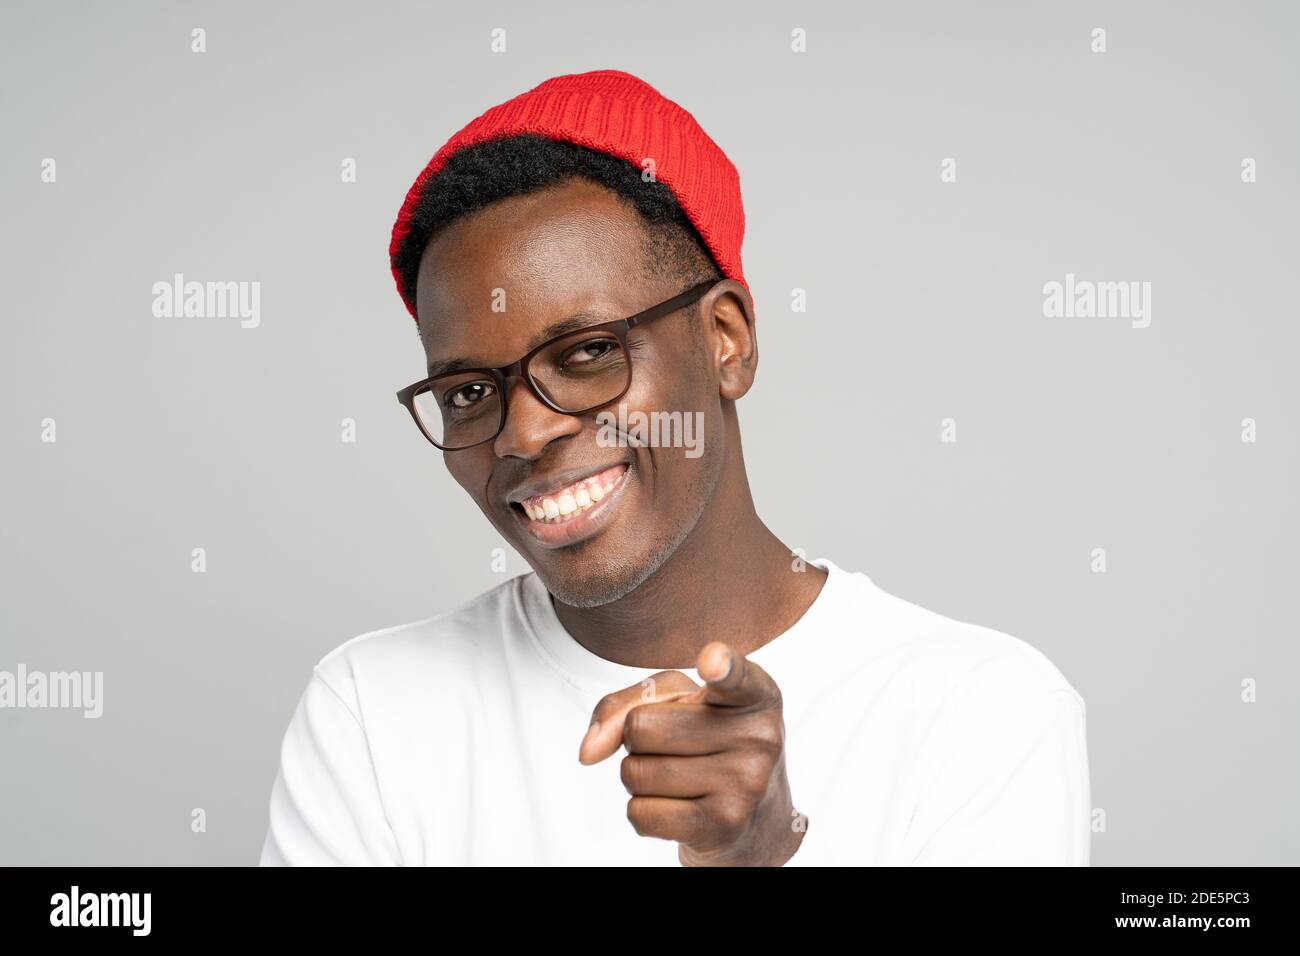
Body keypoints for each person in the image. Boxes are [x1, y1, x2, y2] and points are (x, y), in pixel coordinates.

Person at [259, 68, 1090, 866]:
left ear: (726, 340)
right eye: (469, 390)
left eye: (586, 352)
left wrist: (757, 862)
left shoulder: (980, 709)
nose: (522, 432)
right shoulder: (373, 711)